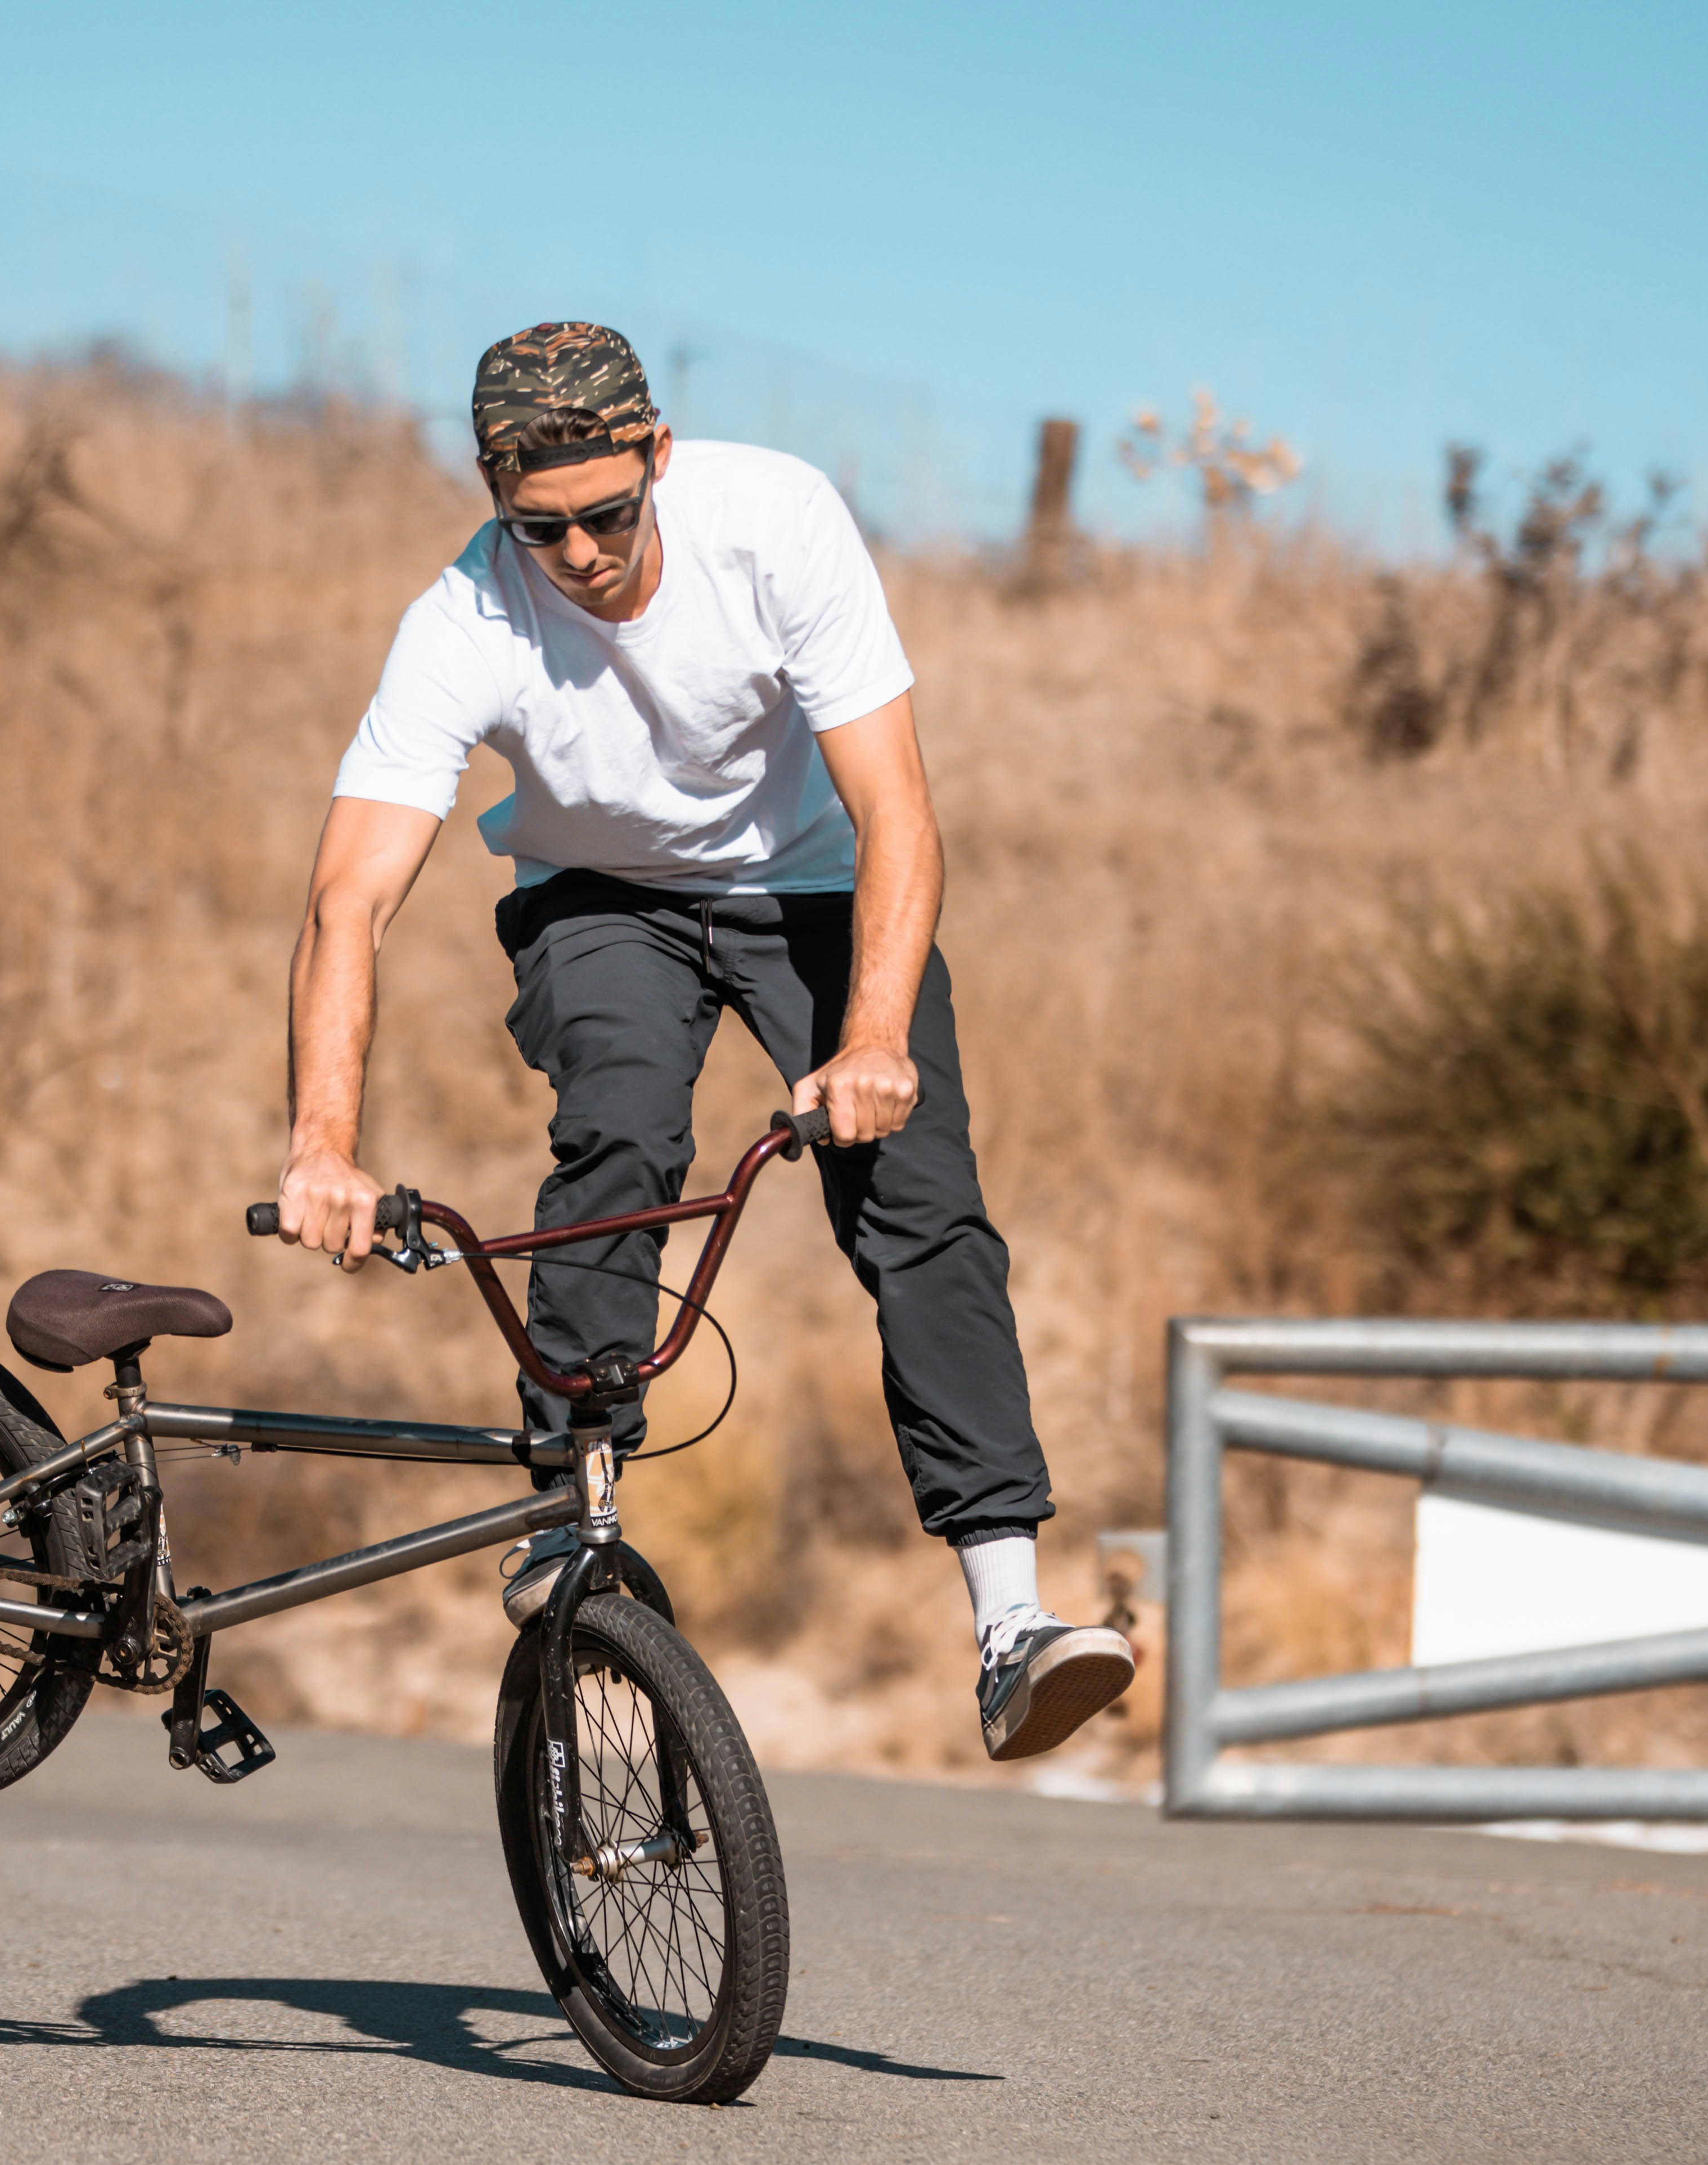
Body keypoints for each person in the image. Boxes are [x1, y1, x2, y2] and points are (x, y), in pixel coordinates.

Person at [271, 321, 1133, 1765]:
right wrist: (321, 1142)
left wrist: (869, 1039)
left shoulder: (775, 523)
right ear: (494, 495)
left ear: (658, 458)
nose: (582, 555)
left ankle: (1007, 1622)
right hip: (599, 899)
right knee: (620, 1120)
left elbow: (899, 811)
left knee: (915, 1193)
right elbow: (346, 897)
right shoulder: (463, 620)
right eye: (538, 527)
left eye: (608, 514)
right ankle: (569, 1515)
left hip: (807, 885)